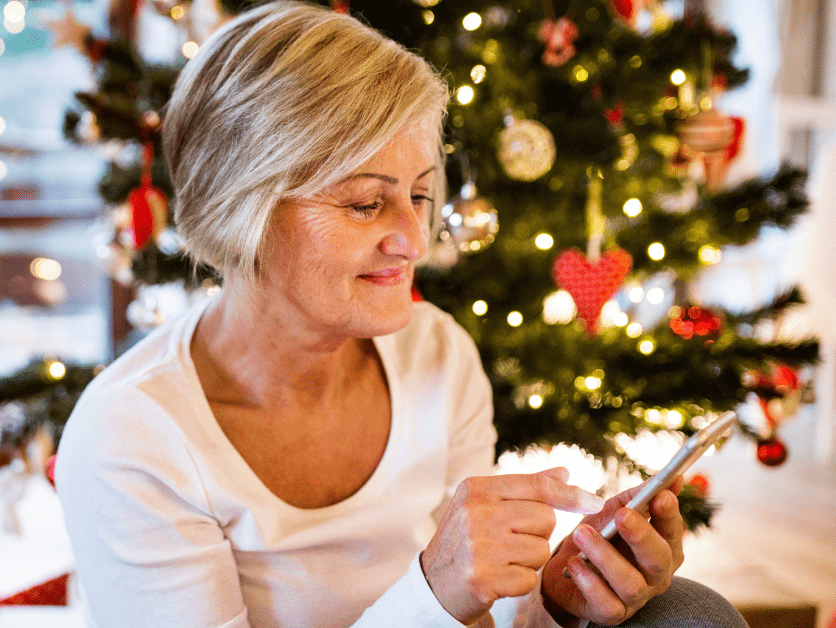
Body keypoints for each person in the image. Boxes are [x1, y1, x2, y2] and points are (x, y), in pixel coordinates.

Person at [56, 2, 749, 627]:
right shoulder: (131, 439)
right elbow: (444, 605)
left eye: (418, 196)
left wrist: (559, 599)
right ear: (245, 213)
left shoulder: (437, 355)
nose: (415, 241)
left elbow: (487, 619)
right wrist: (434, 591)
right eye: (365, 203)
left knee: (693, 614)